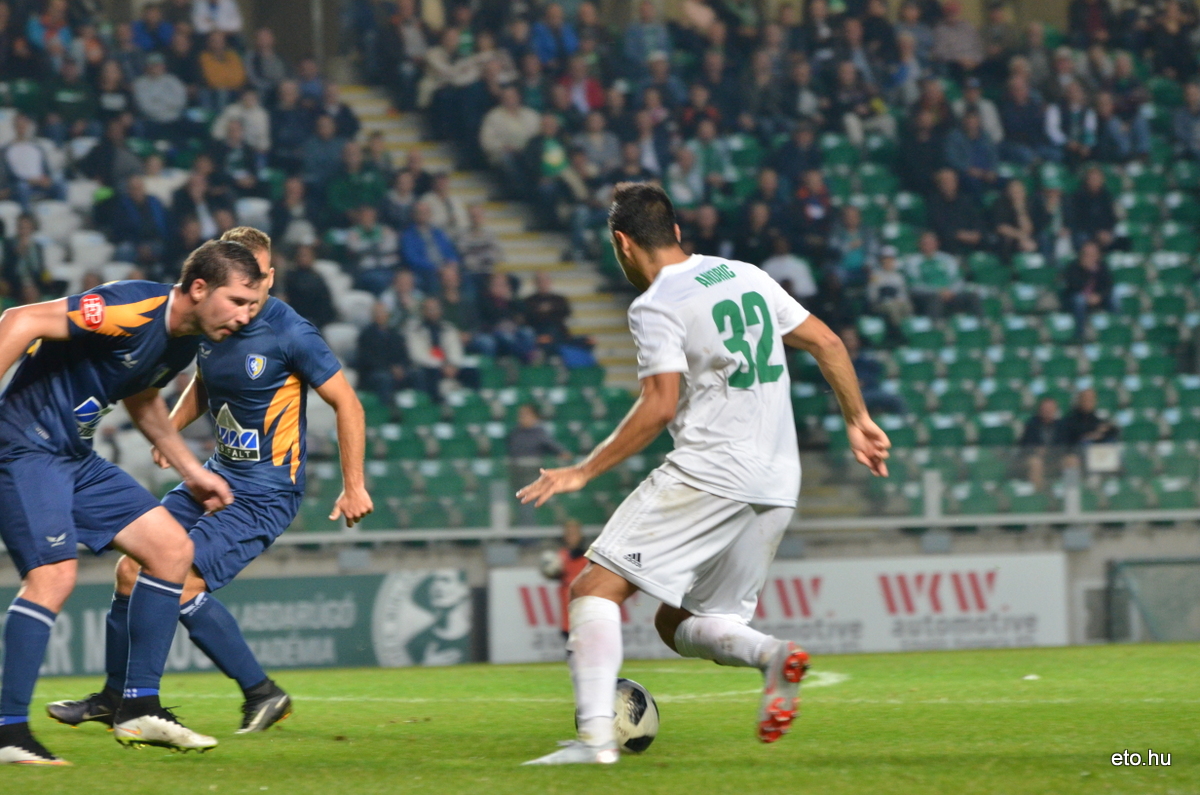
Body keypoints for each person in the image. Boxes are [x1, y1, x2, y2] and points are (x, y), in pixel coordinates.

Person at [517, 183, 889, 765]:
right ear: (677, 232)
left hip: (711, 469)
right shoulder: (744, 274)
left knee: (594, 588)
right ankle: (773, 656)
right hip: (776, 482)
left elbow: (660, 404)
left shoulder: (656, 303)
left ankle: (594, 742)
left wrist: (584, 471)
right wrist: (859, 419)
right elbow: (828, 342)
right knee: (683, 622)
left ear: (622, 243)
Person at [46, 229, 372, 736]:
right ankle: (115, 697)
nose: (250, 287)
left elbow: (347, 403)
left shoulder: (291, 333)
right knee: (132, 571)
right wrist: (170, 431)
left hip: (265, 491)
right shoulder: (213, 325)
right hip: (215, 477)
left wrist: (354, 484)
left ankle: (258, 692)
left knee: (176, 580)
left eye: (258, 276)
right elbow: (202, 382)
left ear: (269, 275)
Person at [0, 240, 265, 763]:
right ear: (198, 288)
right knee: (53, 576)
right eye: (237, 301)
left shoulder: (182, 345)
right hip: (24, 445)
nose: (245, 316)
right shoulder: (130, 308)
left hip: (74, 457)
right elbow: (21, 319)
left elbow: (142, 400)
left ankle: (140, 705)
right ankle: (7, 731)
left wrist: (192, 472)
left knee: (170, 548)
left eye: (253, 306)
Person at [541, 519, 590, 640]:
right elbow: (553, 574)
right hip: (568, 614)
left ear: (580, 535)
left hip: (586, 611)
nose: (570, 537)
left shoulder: (588, 557)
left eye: (573, 533)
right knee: (573, 654)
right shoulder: (561, 556)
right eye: (568, 533)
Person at [1020, 396, 1067, 489]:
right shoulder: (1031, 425)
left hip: (1055, 460)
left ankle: (1071, 495)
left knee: (1071, 461)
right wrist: (1036, 451)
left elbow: (1066, 445)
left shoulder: (1061, 426)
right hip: (1036, 459)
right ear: (1040, 410)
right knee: (1035, 463)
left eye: (1050, 409)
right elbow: (1025, 446)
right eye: (1045, 409)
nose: (1048, 411)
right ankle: (1040, 496)